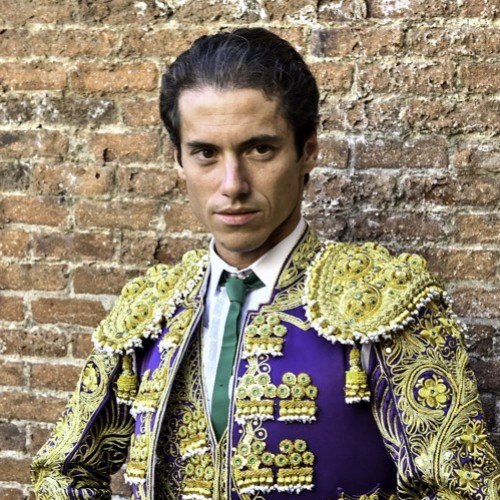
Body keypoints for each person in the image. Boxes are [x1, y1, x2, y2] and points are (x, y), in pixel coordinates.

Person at [31, 27, 500, 499]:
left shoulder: (387, 301)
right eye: (206, 153)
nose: (232, 184)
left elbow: (464, 488)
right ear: (179, 162)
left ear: (307, 151)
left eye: (260, 149)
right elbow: (60, 474)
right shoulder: (149, 311)